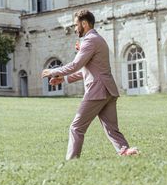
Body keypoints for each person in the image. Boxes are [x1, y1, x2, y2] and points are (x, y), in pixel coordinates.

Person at [41, 9, 139, 160]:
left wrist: (53, 71)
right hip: (108, 90)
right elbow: (88, 70)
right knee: (111, 128)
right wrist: (64, 79)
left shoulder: (90, 40)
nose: (74, 29)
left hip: (97, 90)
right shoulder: (97, 39)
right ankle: (125, 151)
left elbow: (75, 65)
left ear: (84, 23)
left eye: (76, 25)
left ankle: (72, 160)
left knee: (76, 127)